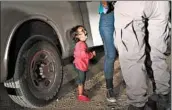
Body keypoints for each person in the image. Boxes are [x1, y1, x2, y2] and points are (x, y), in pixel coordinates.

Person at [113, 1, 171, 110]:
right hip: (161, 4)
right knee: (158, 54)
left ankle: (138, 103)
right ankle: (163, 96)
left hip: (130, 5)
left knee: (132, 58)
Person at [70, 25, 96, 102]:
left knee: (82, 79)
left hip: (78, 64)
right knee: (81, 80)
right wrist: (92, 54)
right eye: (82, 31)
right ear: (77, 36)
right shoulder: (81, 44)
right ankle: (80, 95)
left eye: (84, 30)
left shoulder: (80, 44)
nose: (85, 32)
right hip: (80, 65)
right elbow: (83, 55)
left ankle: (82, 91)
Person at [99, 1, 117, 103]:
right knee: (111, 55)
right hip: (108, 18)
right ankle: (109, 88)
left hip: (124, 15)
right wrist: (106, 6)